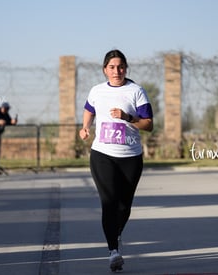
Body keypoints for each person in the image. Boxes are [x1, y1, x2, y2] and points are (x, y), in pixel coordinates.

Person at [79, 49, 153, 272]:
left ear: (126, 69)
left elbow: (149, 124)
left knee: (124, 205)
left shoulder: (136, 91)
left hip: (130, 156)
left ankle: (116, 233)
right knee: (109, 202)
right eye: (111, 67)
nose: (116, 71)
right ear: (105, 70)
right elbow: (88, 109)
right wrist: (84, 127)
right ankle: (113, 251)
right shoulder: (97, 91)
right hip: (102, 154)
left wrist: (127, 117)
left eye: (120, 67)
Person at [0, 102, 17, 174]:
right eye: (6, 109)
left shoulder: (5, 114)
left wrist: (12, 122)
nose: (7, 110)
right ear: (2, 108)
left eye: (8, 109)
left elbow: (8, 121)